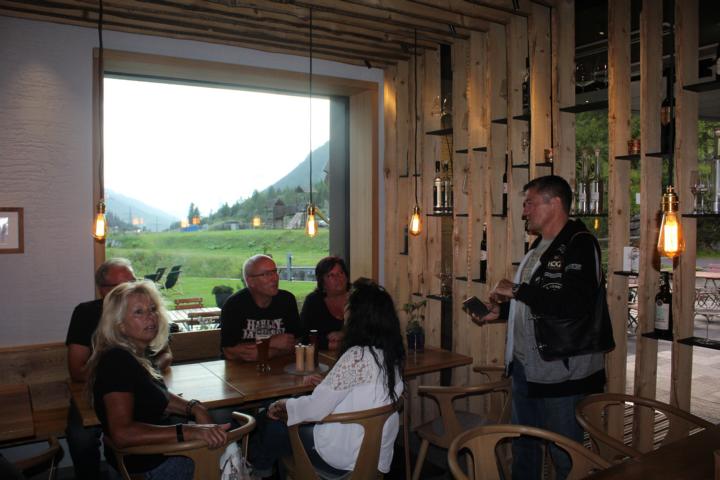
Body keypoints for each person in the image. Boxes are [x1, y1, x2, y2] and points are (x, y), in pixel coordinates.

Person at [475, 175, 607, 480]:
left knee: (565, 453)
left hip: (562, 370)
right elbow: (540, 303)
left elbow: (574, 304)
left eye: (530, 203)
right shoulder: (539, 245)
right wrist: (502, 311)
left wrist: (517, 290)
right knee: (525, 446)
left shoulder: (580, 244)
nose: (524, 211)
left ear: (555, 203)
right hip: (527, 366)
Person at [248, 278, 405, 478]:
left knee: (272, 422)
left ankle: (259, 472)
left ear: (359, 316)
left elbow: (315, 409)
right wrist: (328, 384)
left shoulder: (357, 356)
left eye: (348, 307)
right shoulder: (390, 355)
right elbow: (366, 394)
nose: (345, 312)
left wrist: (282, 404)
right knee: (279, 418)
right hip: (374, 457)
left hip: (342, 459)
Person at [87, 281, 230, 479]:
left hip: (160, 454)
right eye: (139, 312)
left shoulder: (139, 353)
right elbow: (122, 434)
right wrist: (187, 431)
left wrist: (195, 408)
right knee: (227, 463)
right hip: (146, 466)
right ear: (120, 325)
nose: (151, 317)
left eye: (153, 309)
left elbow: (157, 395)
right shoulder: (116, 361)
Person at [65, 258, 173, 479]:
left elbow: (166, 353)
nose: (130, 290)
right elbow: (77, 371)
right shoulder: (86, 313)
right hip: (94, 393)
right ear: (102, 289)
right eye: (121, 286)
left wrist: (145, 375)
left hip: (141, 389)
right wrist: (121, 375)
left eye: (132, 283)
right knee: (81, 437)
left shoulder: (145, 316)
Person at [220, 254, 300, 361]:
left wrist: (267, 353)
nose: (275, 278)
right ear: (250, 281)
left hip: (281, 367)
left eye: (275, 271)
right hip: (240, 369)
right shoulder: (234, 305)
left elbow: (296, 343)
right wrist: (271, 342)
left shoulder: (286, 300)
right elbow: (229, 351)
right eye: (266, 274)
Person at [300, 256, 350, 350]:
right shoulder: (313, 301)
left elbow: (370, 332)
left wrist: (344, 334)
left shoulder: (359, 297)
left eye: (341, 273)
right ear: (322, 282)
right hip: (323, 356)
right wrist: (329, 345)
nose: (338, 278)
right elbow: (304, 337)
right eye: (331, 275)